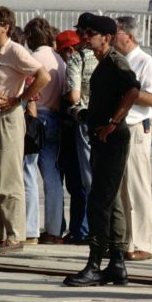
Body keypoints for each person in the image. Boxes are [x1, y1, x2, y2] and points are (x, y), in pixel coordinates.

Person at [63, 15, 140, 287]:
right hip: (103, 139)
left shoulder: (115, 61)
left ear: (106, 37)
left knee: (99, 201)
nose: (85, 36)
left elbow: (133, 89)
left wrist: (112, 123)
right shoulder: (102, 62)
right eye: (83, 32)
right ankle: (116, 264)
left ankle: (95, 264)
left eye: (90, 32)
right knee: (111, 201)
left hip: (112, 139)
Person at [0, 6, 50, 253]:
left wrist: (21, 99)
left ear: (5, 26)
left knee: (9, 179)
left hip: (6, 117)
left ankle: (15, 235)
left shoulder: (15, 51)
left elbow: (43, 76)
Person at [114, 16, 152, 261]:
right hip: (117, 128)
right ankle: (126, 241)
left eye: (116, 33)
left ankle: (143, 242)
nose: (112, 38)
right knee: (121, 189)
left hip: (135, 128)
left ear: (129, 37)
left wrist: (126, 93)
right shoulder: (117, 61)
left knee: (137, 187)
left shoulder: (146, 63)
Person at [24, 17, 66, 245]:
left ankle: (30, 228)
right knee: (52, 177)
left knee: (28, 172)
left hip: (36, 116)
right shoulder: (59, 59)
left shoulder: (33, 58)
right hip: (55, 116)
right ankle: (54, 229)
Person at [55, 30, 89, 244]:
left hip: (75, 127)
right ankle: (79, 228)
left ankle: (81, 229)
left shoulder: (75, 64)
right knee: (80, 183)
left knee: (78, 183)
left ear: (69, 50)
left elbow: (72, 97)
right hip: (79, 127)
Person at [65, 13, 99, 228]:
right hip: (109, 119)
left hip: (86, 119)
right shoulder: (109, 55)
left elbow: (74, 96)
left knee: (88, 177)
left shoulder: (77, 58)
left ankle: (90, 227)